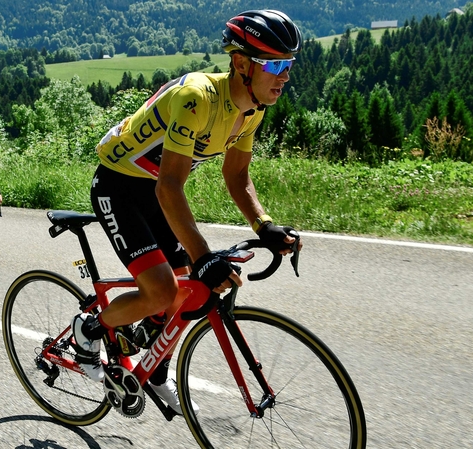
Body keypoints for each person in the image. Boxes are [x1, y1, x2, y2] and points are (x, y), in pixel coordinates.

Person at [71, 10, 303, 415]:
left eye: (289, 65)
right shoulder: (198, 98)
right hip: (119, 185)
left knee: (186, 295)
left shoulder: (251, 109)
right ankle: (89, 329)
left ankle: (154, 369)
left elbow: (237, 175)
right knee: (162, 290)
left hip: (157, 190)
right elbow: (170, 186)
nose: (284, 76)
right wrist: (202, 256)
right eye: (276, 65)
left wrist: (263, 224)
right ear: (242, 63)